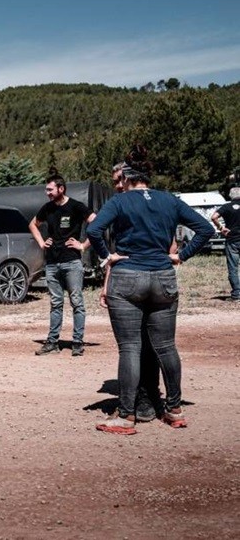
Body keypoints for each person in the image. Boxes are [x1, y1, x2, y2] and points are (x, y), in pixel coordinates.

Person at [87, 145, 214, 435]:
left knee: (130, 347)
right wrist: (182, 255)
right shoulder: (168, 200)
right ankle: (174, 410)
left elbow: (94, 231)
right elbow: (205, 229)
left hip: (129, 276)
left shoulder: (120, 202)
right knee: (166, 346)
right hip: (163, 277)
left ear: (128, 177)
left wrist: (107, 256)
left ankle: (127, 416)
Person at [98, 162, 163, 423]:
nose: (117, 185)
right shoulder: (121, 207)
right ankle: (145, 401)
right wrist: (106, 285)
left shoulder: (145, 205)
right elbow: (116, 252)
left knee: (143, 345)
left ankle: (146, 400)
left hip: (146, 279)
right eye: (114, 181)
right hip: (136, 278)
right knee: (141, 345)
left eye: (119, 180)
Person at [29, 173, 96, 356]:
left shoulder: (76, 206)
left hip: (72, 262)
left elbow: (97, 223)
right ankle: (52, 343)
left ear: (61, 189)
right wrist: (42, 243)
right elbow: (33, 224)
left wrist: (83, 245)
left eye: (50, 189)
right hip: (52, 263)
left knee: (77, 302)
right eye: (46, 189)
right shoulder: (47, 208)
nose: (47, 193)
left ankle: (77, 342)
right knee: (55, 303)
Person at [211, 187, 240, 302]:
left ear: (230, 196)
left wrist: (221, 228)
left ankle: (237, 294)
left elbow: (213, 217)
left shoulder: (226, 206)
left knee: (233, 268)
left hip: (232, 239)